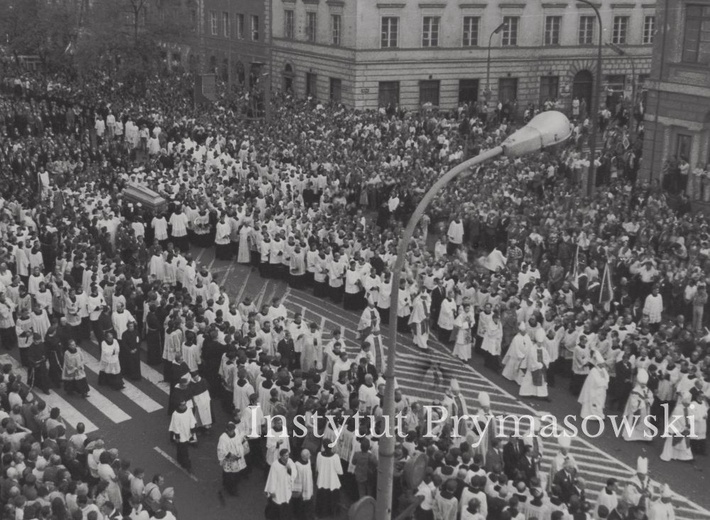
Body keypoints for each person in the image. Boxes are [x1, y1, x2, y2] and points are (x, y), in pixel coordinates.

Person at [622, 369, 655, 442]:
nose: (644, 386)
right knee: (634, 422)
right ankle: (630, 436)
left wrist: (648, 401)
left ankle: (644, 437)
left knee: (644, 423)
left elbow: (651, 397)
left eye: (645, 384)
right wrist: (642, 403)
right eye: (642, 384)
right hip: (637, 411)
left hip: (645, 411)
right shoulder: (635, 390)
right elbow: (633, 403)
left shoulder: (648, 390)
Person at [217, 421, 247, 496]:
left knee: (234, 473)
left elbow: (239, 440)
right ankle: (231, 489)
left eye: (233, 430)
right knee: (228, 474)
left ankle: (230, 485)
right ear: (227, 430)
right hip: (229, 459)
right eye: (230, 430)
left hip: (237, 457)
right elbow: (221, 449)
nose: (232, 432)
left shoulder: (236, 432)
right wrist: (230, 455)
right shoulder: (223, 438)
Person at [265, 448, 296, 520]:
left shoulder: (290, 462)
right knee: (277, 503)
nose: (287, 457)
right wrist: (272, 491)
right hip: (278, 488)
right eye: (285, 455)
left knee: (286, 502)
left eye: (288, 455)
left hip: (287, 487)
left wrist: (289, 469)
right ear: (281, 456)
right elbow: (272, 478)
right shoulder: (275, 465)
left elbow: (294, 473)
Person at [578, 353, 610, 419]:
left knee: (599, 403)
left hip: (601, 390)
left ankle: (598, 415)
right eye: (602, 364)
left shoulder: (603, 370)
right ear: (598, 364)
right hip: (594, 390)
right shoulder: (594, 371)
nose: (603, 365)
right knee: (593, 403)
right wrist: (604, 381)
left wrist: (604, 381)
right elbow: (598, 382)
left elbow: (607, 378)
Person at [169, 400, 196, 471]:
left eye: (184, 404)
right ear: (179, 406)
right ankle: (187, 465)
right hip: (181, 435)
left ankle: (179, 459)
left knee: (180, 448)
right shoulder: (176, 414)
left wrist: (193, 430)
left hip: (187, 432)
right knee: (184, 450)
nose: (184, 406)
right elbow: (175, 426)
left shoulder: (189, 410)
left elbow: (192, 420)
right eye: (182, 405)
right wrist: (177, 436)